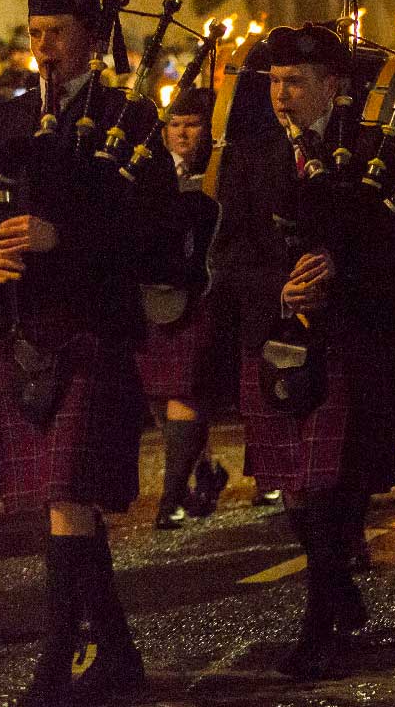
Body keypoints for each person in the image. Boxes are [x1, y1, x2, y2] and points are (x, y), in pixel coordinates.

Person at [0, 0, 166, 704]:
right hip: (18, 331)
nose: (42, 47)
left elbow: (157, 234)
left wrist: (61, 238)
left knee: (68, 498)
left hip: (91, 328)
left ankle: (54, 663)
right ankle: (116, 653)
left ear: (92, 38)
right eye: (34, 31)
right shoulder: (3, 118)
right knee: (61, 500)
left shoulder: (127, 118)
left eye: (58, 33)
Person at [208, 23, 395, 677]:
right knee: (295, 491)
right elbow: (229, 255)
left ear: (334, 85)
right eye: (275, 81)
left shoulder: (374, 154)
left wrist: (337, 275)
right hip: (274, 339)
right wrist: (283, 287)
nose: (282, 93)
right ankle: (338, 591)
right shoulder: (248, 157)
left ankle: (318, 619)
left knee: (327, 485)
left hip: (347, 339)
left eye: (297, 81)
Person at [135, 89, 229, 529]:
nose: (182, 133)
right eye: (174, 124)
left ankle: (170, 498)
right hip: (153, 293)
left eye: (192, 124)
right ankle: (205, 471)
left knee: (184, 394)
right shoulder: (149, 169)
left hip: (199, 293)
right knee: (161, 398)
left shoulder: (220, 170)